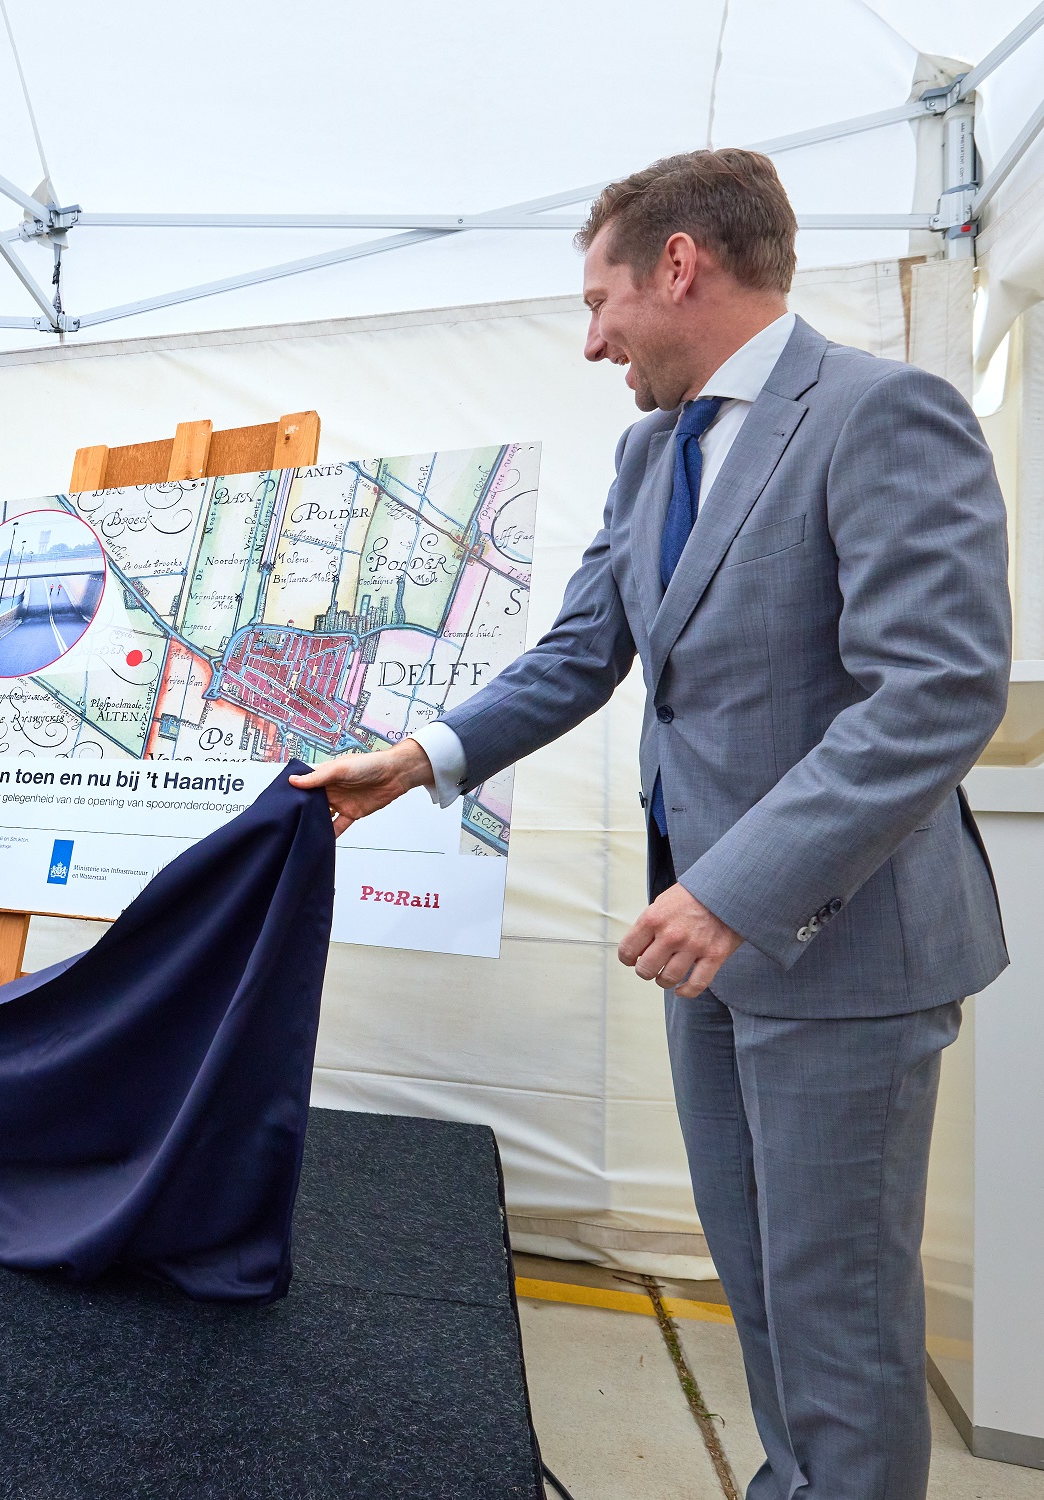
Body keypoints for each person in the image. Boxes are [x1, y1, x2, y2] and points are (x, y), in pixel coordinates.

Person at [295, 149, 1009, 1499]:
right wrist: (416, 759)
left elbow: (936, 692)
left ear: (677, 266)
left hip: (835, 948)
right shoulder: (648, 453)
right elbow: (580, 653)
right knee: (757, 1277)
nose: (589, 342)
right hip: (714, 950)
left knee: (836, 1313)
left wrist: (736, 887)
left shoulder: (881, 414)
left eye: (597, 301)